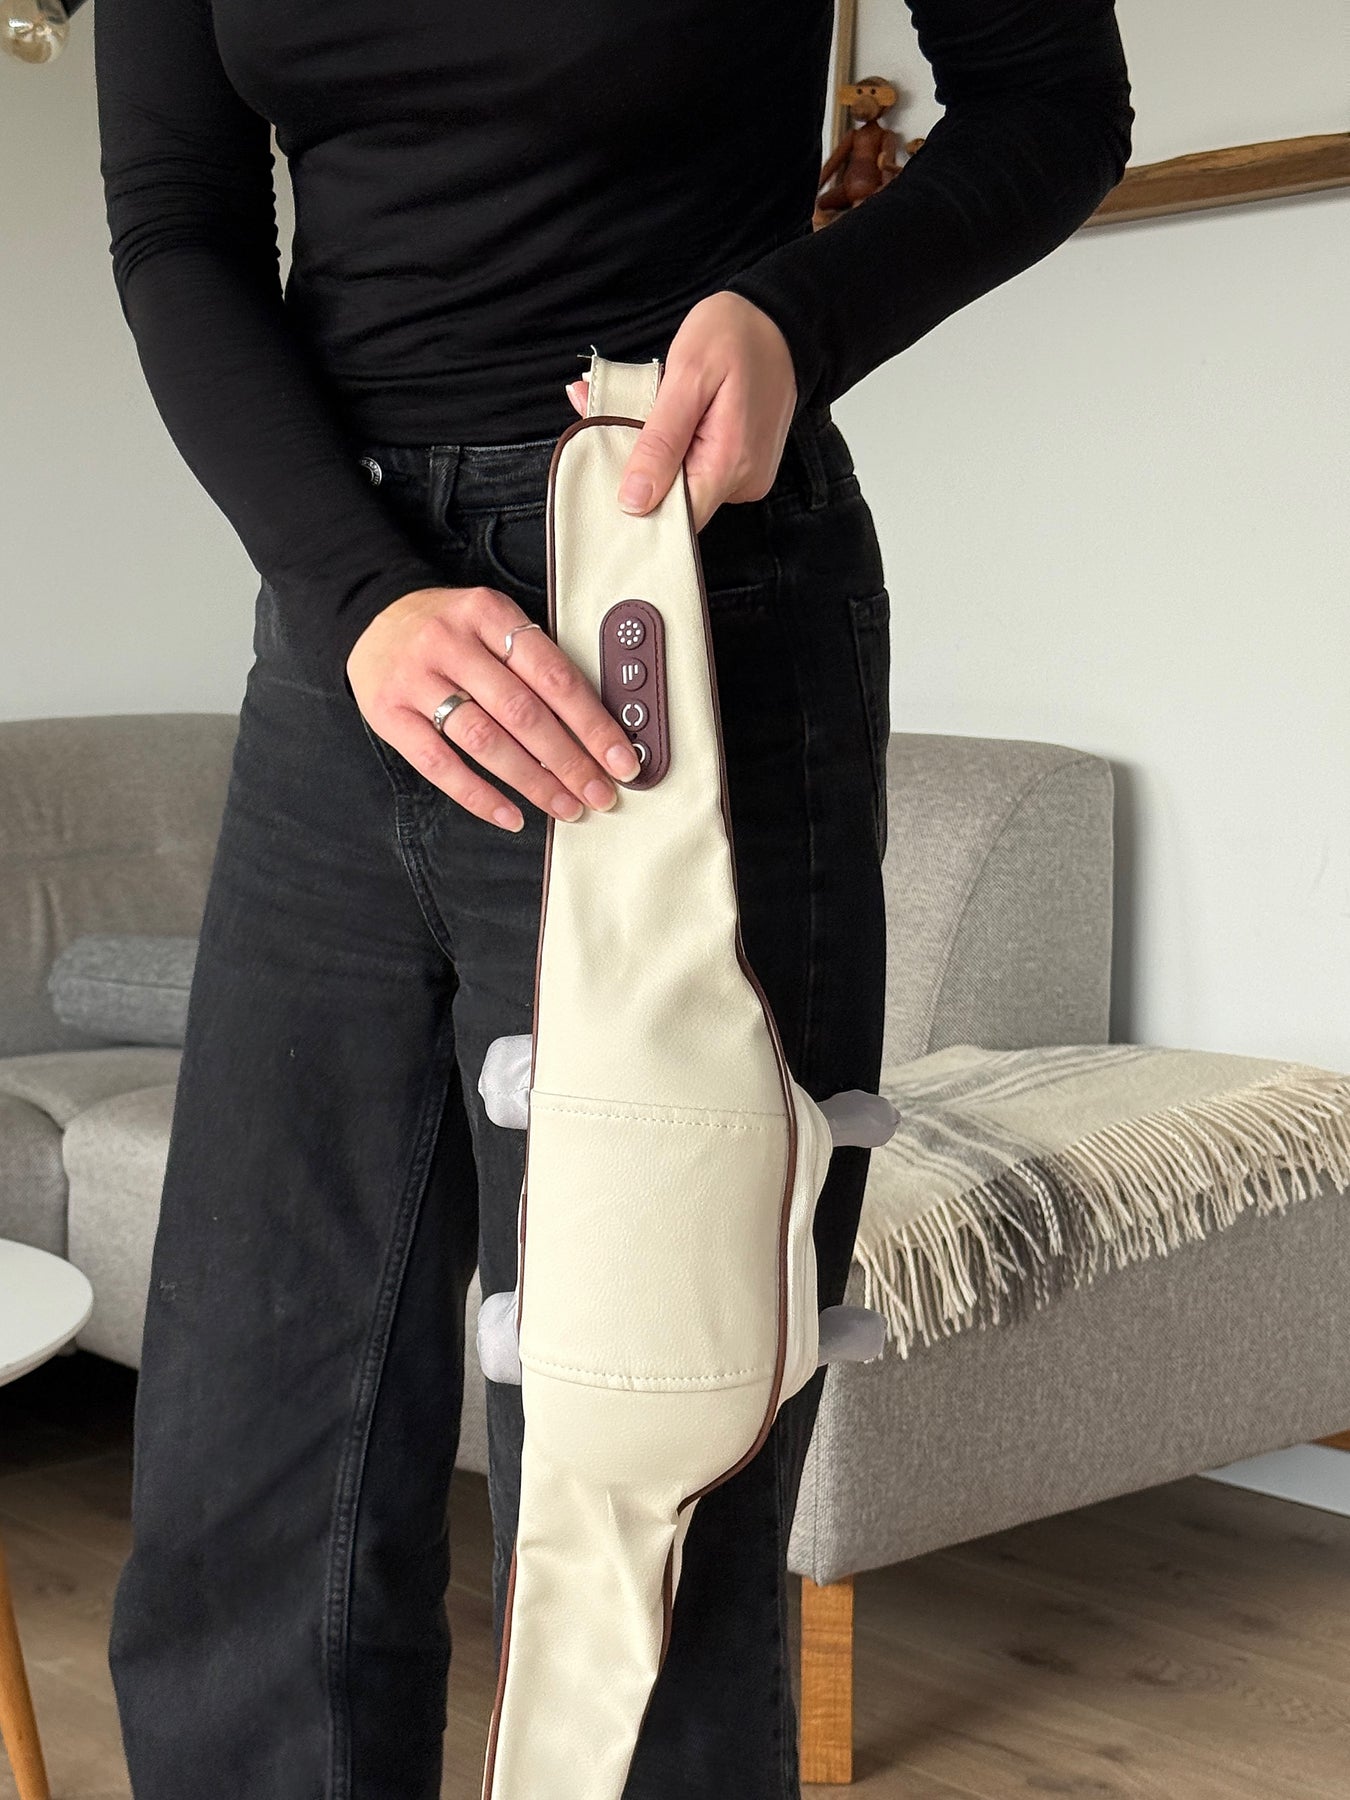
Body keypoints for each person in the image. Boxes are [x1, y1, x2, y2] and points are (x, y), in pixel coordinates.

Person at [91, 1, 1132, 1794]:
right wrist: (350, 596)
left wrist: (795, 317)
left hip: (675, 596)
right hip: (350, 638)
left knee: (649, 1457)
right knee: (249, 1464)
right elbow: (174, 217)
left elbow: (1051, 98)